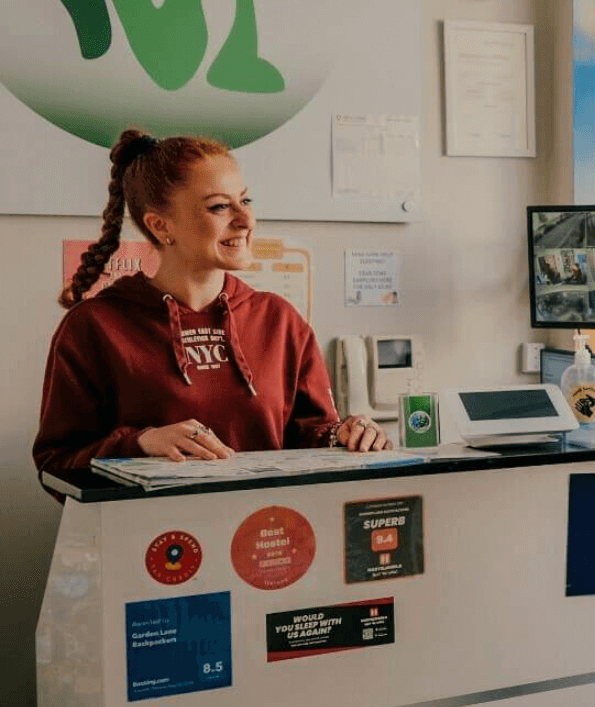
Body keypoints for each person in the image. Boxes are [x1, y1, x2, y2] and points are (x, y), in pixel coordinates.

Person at [34, 129, 388, 495]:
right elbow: (55, 463)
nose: (245, 220)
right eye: (220, 206)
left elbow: (310, 436)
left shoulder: (280, 320)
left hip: (269, 537)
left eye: (245, 201)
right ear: (160, 225)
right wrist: (141, 444)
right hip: (153, 545)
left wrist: (344, 435)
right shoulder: (94, 326)